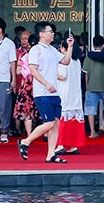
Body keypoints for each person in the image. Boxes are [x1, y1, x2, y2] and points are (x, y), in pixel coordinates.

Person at [19, 22, 69, 163]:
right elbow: (33, 70)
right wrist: (46, 84)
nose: (52, 34)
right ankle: (25, 141)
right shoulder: (36, 50)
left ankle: (51, 154)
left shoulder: (52, 50)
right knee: (49, 123)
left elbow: (66, 61)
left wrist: (70, 47)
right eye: (50, 31)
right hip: (42, 92)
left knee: (56, 123)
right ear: (41, 34)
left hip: (54, 92)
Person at [55, 35, 86, 156]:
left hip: (64, 93)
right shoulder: (77, 61)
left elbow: (62, 76)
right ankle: (73, 145)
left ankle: (61, 144)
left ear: (64, 49)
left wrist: (51, 74)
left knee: (62, 121)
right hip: (75, 94)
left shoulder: (63, 62)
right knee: (74, 122)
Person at [83, 35, 104, 138]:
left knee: (90, 109)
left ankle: (92, 132)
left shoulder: (89, 57)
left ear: (93, 45)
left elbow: (86, 73)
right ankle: (103, 124)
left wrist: (87, 86)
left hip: (91, 86)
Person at [13, 33, 38, 138]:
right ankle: (45, 134)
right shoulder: (41, 55)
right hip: (39, 85)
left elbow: (18, 72)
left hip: (26, 85)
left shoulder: (24, 56)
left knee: (27, 111)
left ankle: (29, 135)